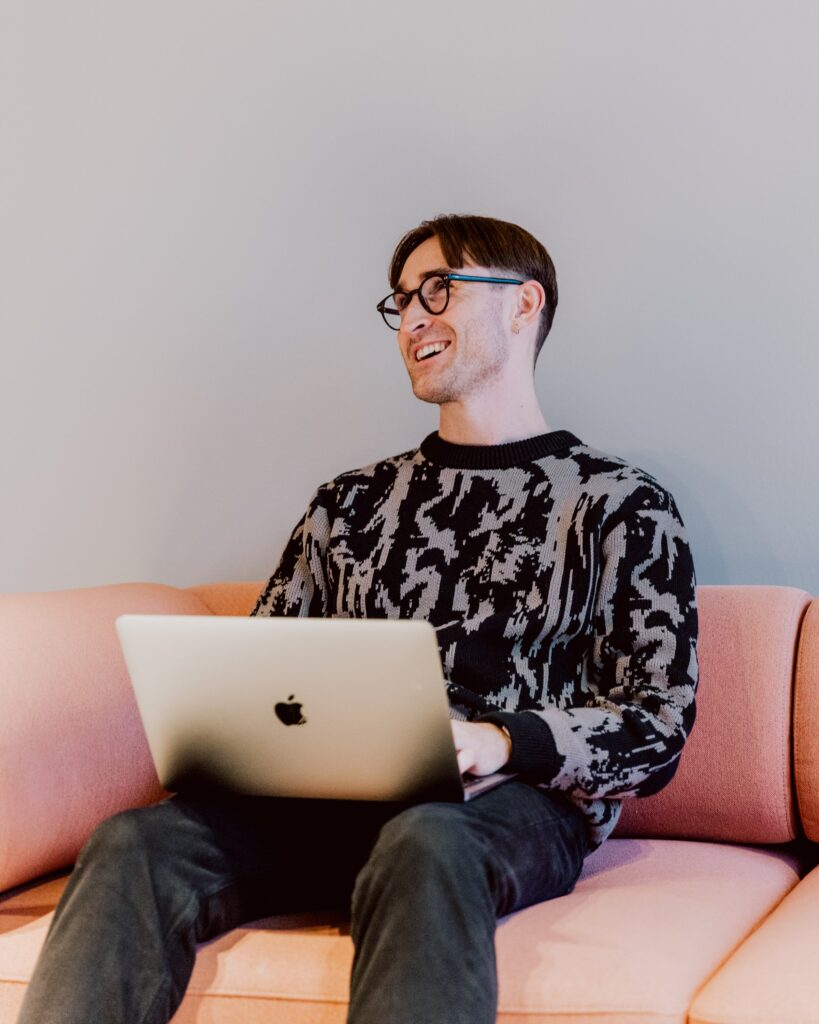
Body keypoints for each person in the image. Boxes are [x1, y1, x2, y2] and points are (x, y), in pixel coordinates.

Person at [18, 214, 699, 1024]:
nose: (412, 319)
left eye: (438, 290)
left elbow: (655, 726)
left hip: (502, 810)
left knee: (425, 842)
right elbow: (260, 672)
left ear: (523, 304)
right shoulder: (349, 504)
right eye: (401, 301)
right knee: (136, 842)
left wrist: (498, 739)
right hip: (323, 809)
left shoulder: (618, 505)